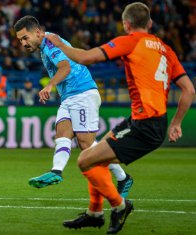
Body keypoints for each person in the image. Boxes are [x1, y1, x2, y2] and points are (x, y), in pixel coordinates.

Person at [46, 2, 195, 234]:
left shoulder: (131, 41)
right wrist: (176, 123)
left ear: (126, 24)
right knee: (95, 159)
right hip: (150, 121)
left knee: (85, 161)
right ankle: (94, 213)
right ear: (150, 23)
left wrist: (58, 43)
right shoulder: (166, 49)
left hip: (145, 125)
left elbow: (85, 57)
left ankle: (119, 206)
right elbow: (189, 90)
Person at [13, 15, 133, 197]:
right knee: (63, 133)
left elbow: (65, 68)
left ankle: (123, 177)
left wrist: (50, 85)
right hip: (69, 96)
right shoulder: (45, 45)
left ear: (37, 32)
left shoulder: (50, 44)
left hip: (82, 93)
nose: (23, 43)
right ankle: (56, 172)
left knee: (86, 144)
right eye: (20, 40)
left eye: (25, 38)